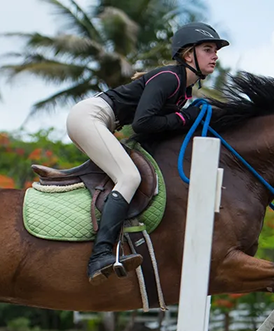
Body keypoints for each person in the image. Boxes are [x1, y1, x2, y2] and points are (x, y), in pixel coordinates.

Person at [66, 22, 229, 286]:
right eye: (208, 49)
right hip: (91, 116)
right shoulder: (170, 78)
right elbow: (142, 124)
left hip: (100, 120)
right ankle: (100, 255)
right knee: (129, 177)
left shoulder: (183, 89)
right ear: (188, 55)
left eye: (215, 50)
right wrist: (185, 116)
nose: (215, 56)